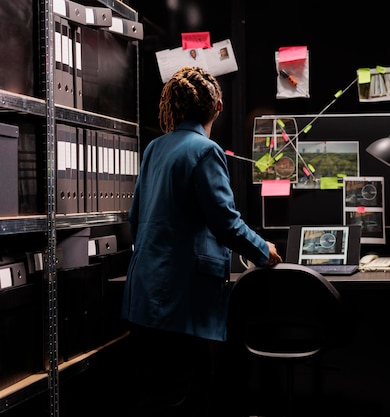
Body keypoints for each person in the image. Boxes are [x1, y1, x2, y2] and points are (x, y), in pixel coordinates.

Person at [121, 66, 283, 417]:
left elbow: (135, 217)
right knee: (186, 399)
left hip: (144, 296)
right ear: (218, 107)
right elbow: (226, 223)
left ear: (173, 107)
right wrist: (263, 251)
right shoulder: (206, 151)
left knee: (156, 398)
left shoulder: (154, 149)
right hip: (182, 304)